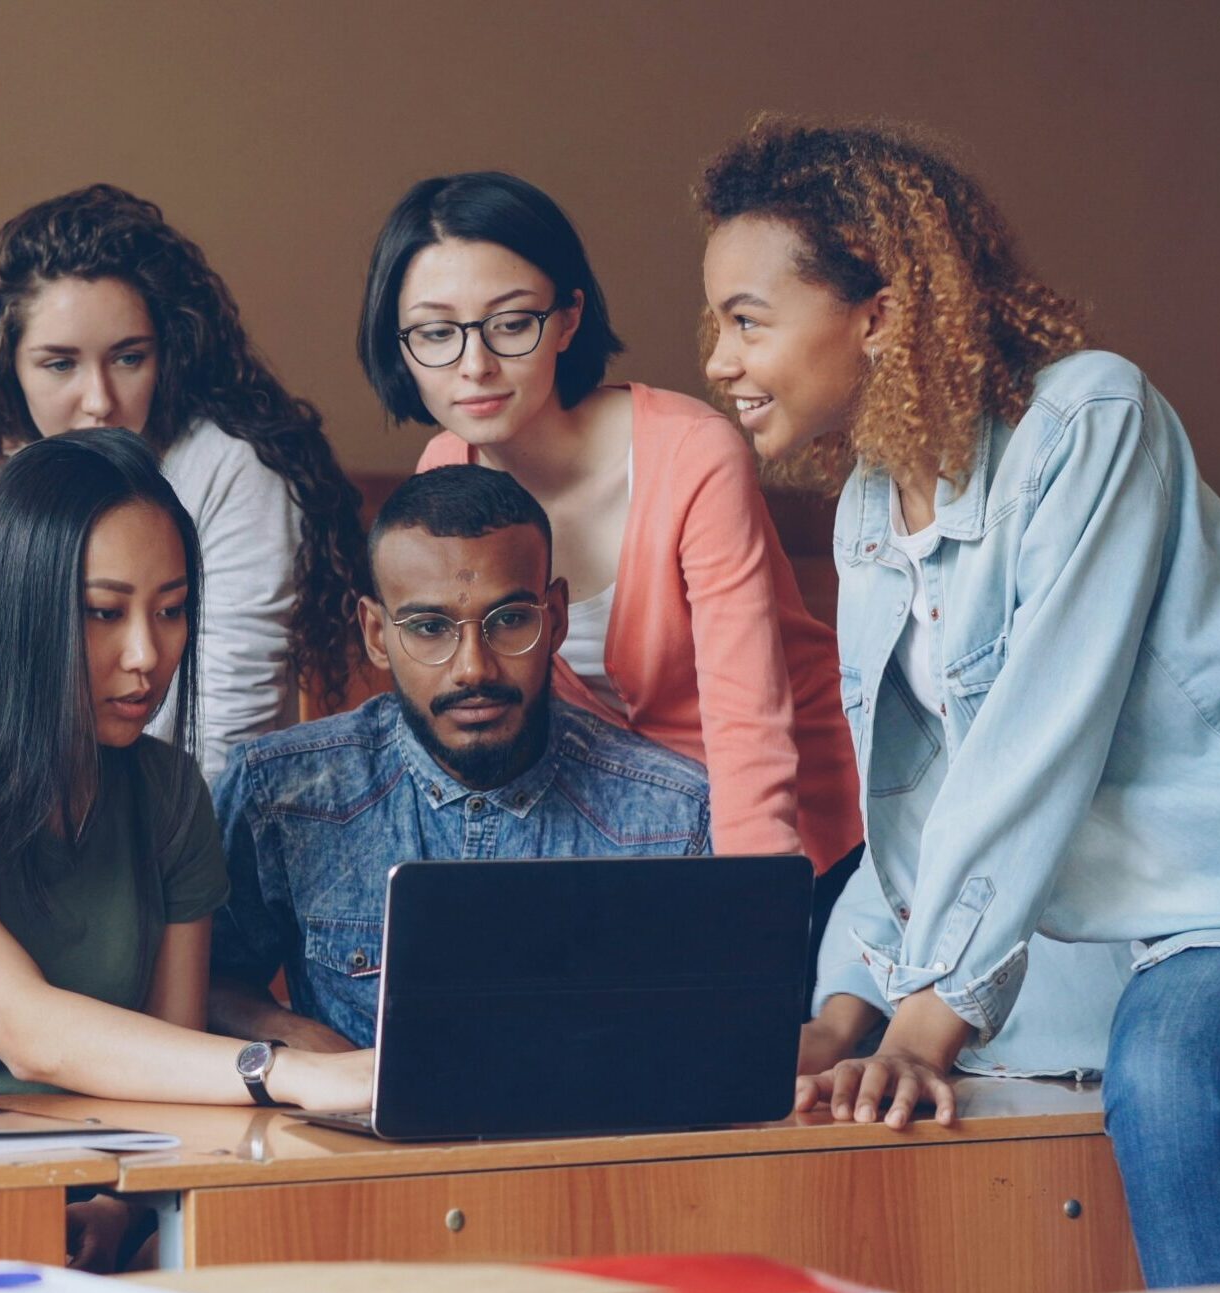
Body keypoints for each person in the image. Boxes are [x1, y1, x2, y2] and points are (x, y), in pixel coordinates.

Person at [696, 117, 1220, 1293]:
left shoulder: (1088, 420)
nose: (716, 358)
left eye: (744, 318)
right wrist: (845, 1017)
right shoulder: (872, 504)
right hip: (1134, 925)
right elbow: (916, 808)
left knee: (1173, 1073)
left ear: (876, 315)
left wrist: (931, 1020)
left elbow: (1037, 739)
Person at [0, 427, 374, 1120]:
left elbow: (169, 1056)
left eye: (170, 611)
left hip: (89, 1169)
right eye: (103, 613)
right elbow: (30, 1033)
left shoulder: (168, 793)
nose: (145, 653)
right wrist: (286, 1072)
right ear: (19, 611)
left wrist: (118, 1213)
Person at [356, 173, 860, 952]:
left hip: (803, 842)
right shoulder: (442, 475)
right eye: (434, 331)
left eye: (510, 323)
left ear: (568, 319)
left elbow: (747, 726)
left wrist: (753, 928)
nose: (474, 364)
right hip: (621, 845)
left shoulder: (692, 456)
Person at [209, 464, 711, 1050]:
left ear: (557, 618)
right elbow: (204, 984)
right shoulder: (279, 793)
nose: (473, 667)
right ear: (375, 633)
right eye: (429, 628)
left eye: (510, 621)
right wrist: (304, 1045)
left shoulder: (675, 818)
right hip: (356, 1138)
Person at [0, 184, 369, 779]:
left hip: (192, 830)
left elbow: (222, 747)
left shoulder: (230, 469)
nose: (99, 402)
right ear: (9, 370)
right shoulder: (5, 481)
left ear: (168, 354)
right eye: (60, 364)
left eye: (129, 358)